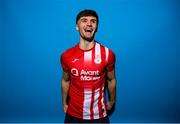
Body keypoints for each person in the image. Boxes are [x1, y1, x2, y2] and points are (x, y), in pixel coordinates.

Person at [60, 9, 116, 123]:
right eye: (84, 20)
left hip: (99, 115)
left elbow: (111, 79)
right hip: (73, 114)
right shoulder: (67, 55)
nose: (89, 24)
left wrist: (112, 101)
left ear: (97, 27)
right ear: (77, 26)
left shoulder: (107, 54)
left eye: (93, 21)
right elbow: (65, 81)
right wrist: (64, 103)